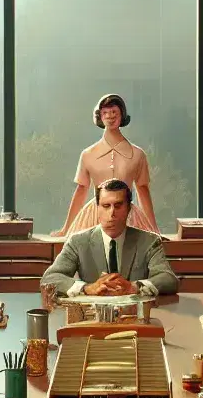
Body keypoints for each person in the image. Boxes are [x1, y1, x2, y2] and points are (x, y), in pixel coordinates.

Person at [40, 179, 179, 297]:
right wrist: (87, 288)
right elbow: (49, 278)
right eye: (106, 206)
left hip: (135, 316)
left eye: (118, 206)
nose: (112, 213)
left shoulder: (149, 241)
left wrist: (134, 287)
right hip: (92, 318)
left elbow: (168, 279)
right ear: (97, 208)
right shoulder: (77, 242)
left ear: (129, 209)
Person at [53, 94, 159, 236]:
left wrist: (154, 229)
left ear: (122, 114)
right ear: (100, 117)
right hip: (94, 216)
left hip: (128, 216)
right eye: (105, 113)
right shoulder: (88, 154)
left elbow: (143, 190)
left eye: (114, 112)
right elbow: (81, 190)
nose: (110, 116)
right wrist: (66, 229)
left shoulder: (138, 154)